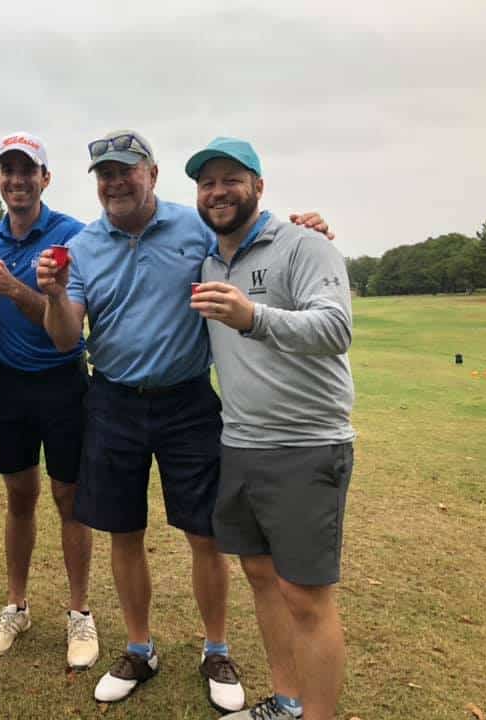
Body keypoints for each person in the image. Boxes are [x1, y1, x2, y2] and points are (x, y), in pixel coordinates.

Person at [37, 130, 330, 711]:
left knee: (206, 534)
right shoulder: (84, 243)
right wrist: (52, 295)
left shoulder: (194, 226)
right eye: (104, 174)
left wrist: (307, 232)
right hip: (114, 399)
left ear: (152, 173)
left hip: (188, 400)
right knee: (124, 531)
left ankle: (216, 648)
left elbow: (254, 237)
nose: (115, 183)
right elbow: (68, 334)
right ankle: (140, 648)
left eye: (126, 171)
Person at [187, 137, 354, 720]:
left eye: (232, 179)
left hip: (305, 444)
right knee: (261, 577)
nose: (218, 192)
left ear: (259, 185)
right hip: (240, 443)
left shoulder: (305, 245)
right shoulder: (210, 258)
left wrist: (252, 316)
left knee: (306, 597)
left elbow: (335, 328)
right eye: (207, 183)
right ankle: (285, 702)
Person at [0, 132, 98, 669]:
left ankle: (79, 613)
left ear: (46, 178)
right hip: (10, 386)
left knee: (70, 498)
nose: (18, 180)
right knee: (19, 497)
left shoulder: (75, 236)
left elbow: (68, 326)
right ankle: (16, 606)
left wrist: (15, 288)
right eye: (8, 170)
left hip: (65, 379)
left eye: (29, 170)